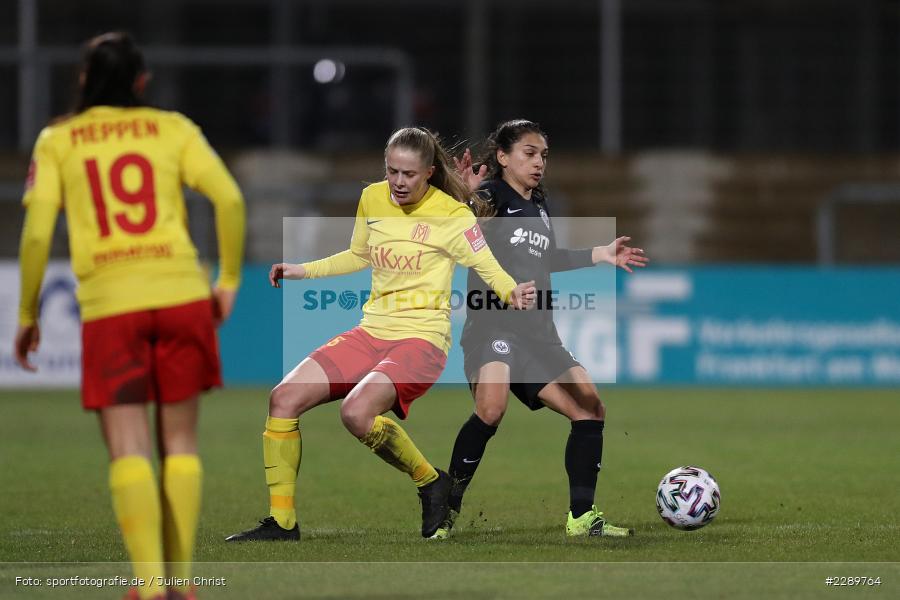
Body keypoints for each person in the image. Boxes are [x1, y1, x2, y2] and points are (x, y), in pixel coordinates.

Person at [14, 33, 245, 600]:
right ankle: (183, 585)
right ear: (142, 82)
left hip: (111, 304)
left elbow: (40, 230)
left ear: (83, 80)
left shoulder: (58, 139)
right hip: (181, 293)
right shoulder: (174, 129)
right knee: (181, 445)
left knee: (128, 448)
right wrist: (228, 280)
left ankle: (147, 587)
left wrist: (27, 311)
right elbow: (231, 200)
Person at [225, 127, 536, 543]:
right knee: (283, 399)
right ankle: (281, 523)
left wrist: (511, 290)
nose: (399, 182)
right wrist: (301, 270)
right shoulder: (373, 197)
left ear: (428, 172)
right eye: (392, 172)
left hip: (421, 340)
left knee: (356, 413)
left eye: (409, 174)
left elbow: (487, 265)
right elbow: (358, 254)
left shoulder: (452, 214)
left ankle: (429, 482)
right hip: (371, 331)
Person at [433, 119, 648, 539]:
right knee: (491, 410)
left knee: (590, 407)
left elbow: (545, 259)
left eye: (543, 156)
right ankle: (444, 510)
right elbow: (454, 232)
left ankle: (582, 517)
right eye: (529, 154)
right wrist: (459, 193)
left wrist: (599, 254)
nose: (538, 163)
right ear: (502, 157)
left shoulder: (539, 207)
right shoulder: (489, 198)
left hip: (537, 335)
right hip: (494, 325)